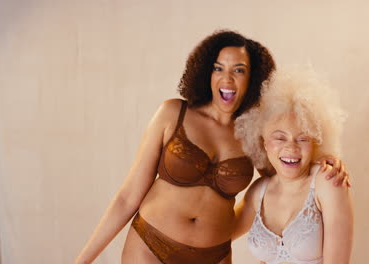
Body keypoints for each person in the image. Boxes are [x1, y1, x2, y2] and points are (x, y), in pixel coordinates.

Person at [75, 30, 348, 264]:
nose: (227, 79)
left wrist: (325, 160)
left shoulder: (253, 131)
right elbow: (127, 198)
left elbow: (287, 170)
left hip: (214, 256)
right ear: (207, 72)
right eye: (219, 68)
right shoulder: (173, 113)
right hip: (151, 246)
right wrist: (83, 259)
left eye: (238, 70)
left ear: (252, 79)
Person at [233, 68, 354, 264]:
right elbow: (217, 236)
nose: (291, 147)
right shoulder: (258, 191)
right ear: (263, 142)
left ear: (316, 141)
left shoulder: (328, 181)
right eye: (280, 138)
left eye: (302, 138)